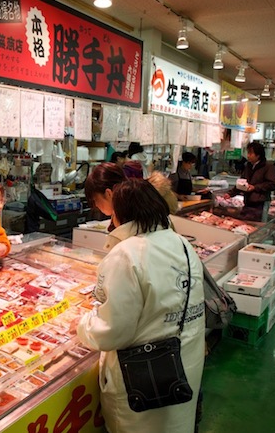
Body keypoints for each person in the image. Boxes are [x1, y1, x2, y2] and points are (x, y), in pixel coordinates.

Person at [75, 178, 205, 433]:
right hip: (183, 363)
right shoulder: (181, 242)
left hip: (142, 377)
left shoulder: (127, 254)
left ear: (121, 214)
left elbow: (112, 332)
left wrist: (82, 324)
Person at [85, 164, 177, 233]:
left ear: (109, 194)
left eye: (95, 200)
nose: (96, 205)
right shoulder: (138, 203)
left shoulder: (134, 215)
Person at [227, 142, 275, 220]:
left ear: (258, 155)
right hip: (248, 202)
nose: (248, 155)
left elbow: (272, 184)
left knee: (257, 227)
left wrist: (255, 187)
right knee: (245, 224)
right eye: (248, 153)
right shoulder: (248, 166)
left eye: (251, 153)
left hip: (261, 204)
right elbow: (242, 183)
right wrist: (230, 194)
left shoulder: (268, 167)